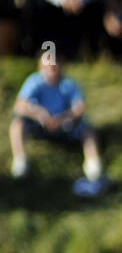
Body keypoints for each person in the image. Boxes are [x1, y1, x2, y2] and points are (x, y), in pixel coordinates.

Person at [9, 51, 102, 182]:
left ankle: (93, 164)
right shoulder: (34, 81)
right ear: (40, 66)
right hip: (39, 126)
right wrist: (39, 114)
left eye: (55, 63)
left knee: (87, 129)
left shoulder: (70, 84)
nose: (51, 67)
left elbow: (80, 108)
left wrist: (61, 118)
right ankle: (20, 161)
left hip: (65, 126)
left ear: (61, 64)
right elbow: (19, 105)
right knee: (17, 124)